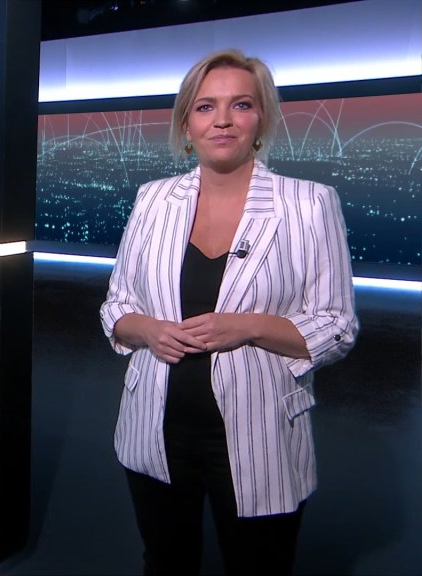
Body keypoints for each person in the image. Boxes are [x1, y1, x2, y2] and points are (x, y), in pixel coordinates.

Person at [99, 49, 359, 575]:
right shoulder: (152, 200)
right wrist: (147, 329)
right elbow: (116, 306)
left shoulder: (309, 204)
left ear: (261, 118)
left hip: (260, 431)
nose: (222, 120)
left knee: (259, 565)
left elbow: (337, 325)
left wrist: (247, 327)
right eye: (205, 107)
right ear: (186, 125)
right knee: (165, 562)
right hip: (155, 425)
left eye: (240, 104)